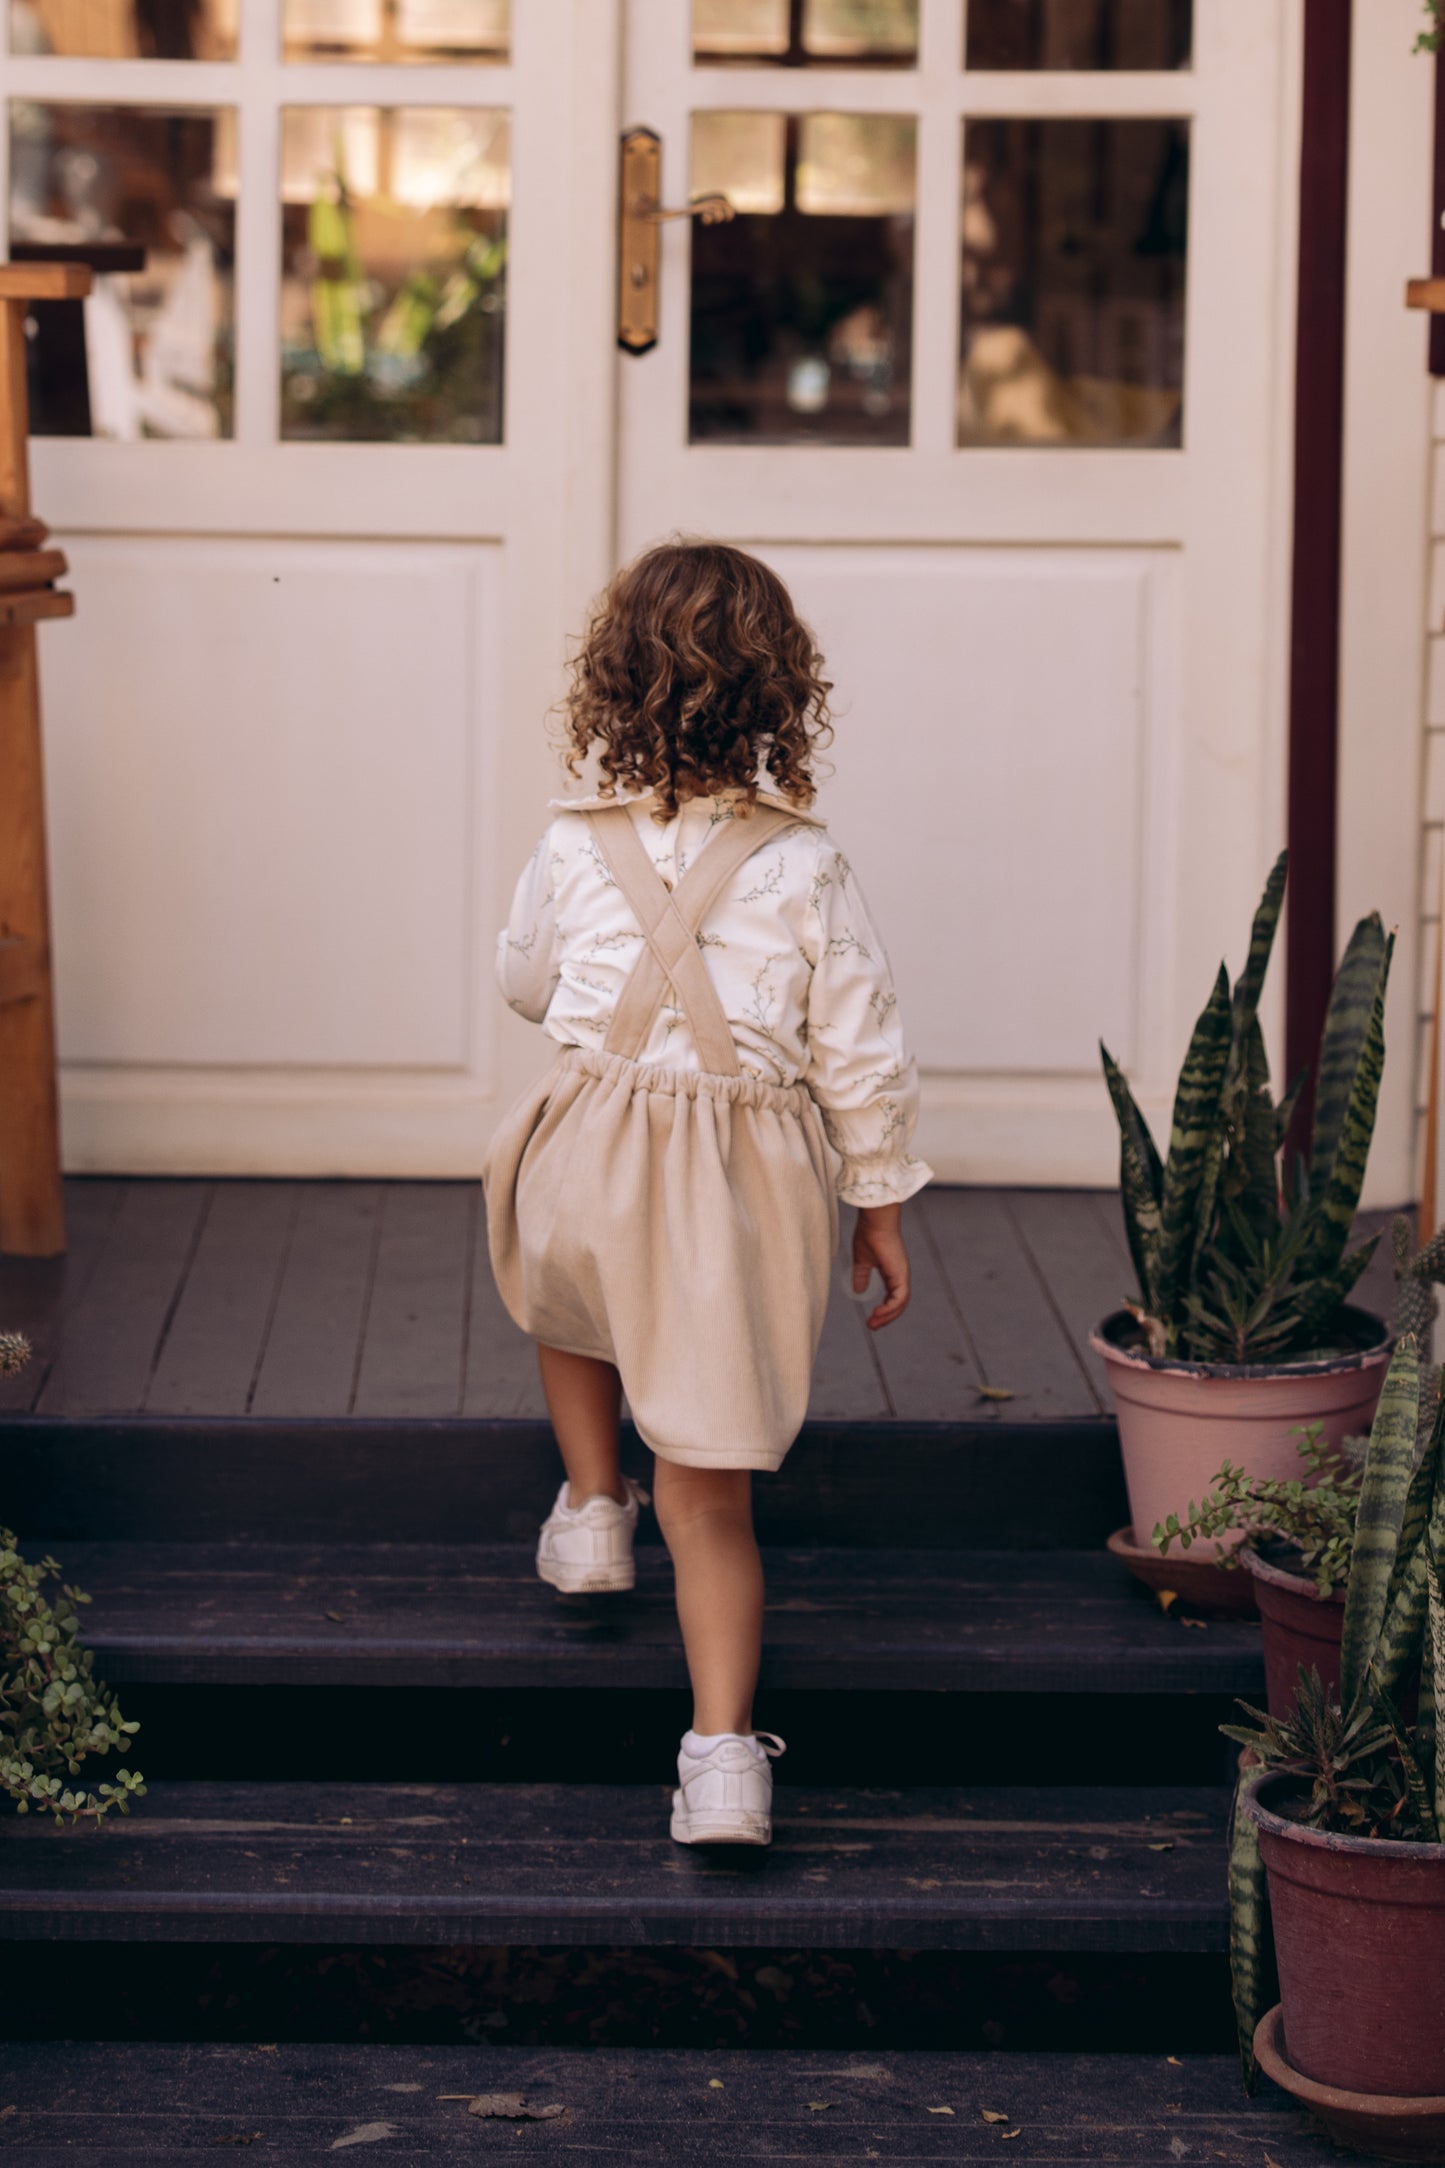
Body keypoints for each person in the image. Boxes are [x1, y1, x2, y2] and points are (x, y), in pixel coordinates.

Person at [483, 539, 931, 1847]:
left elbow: (526, 983)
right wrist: (880, 1201)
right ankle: (724, 1758)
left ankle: (586, 1511)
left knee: (568, 1287)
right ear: (781, 698)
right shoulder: (804, 864)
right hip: (741, 1176)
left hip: (593, 1131)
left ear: (609, 690)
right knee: (710, 1484)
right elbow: (861, 1044)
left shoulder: (572, 842)